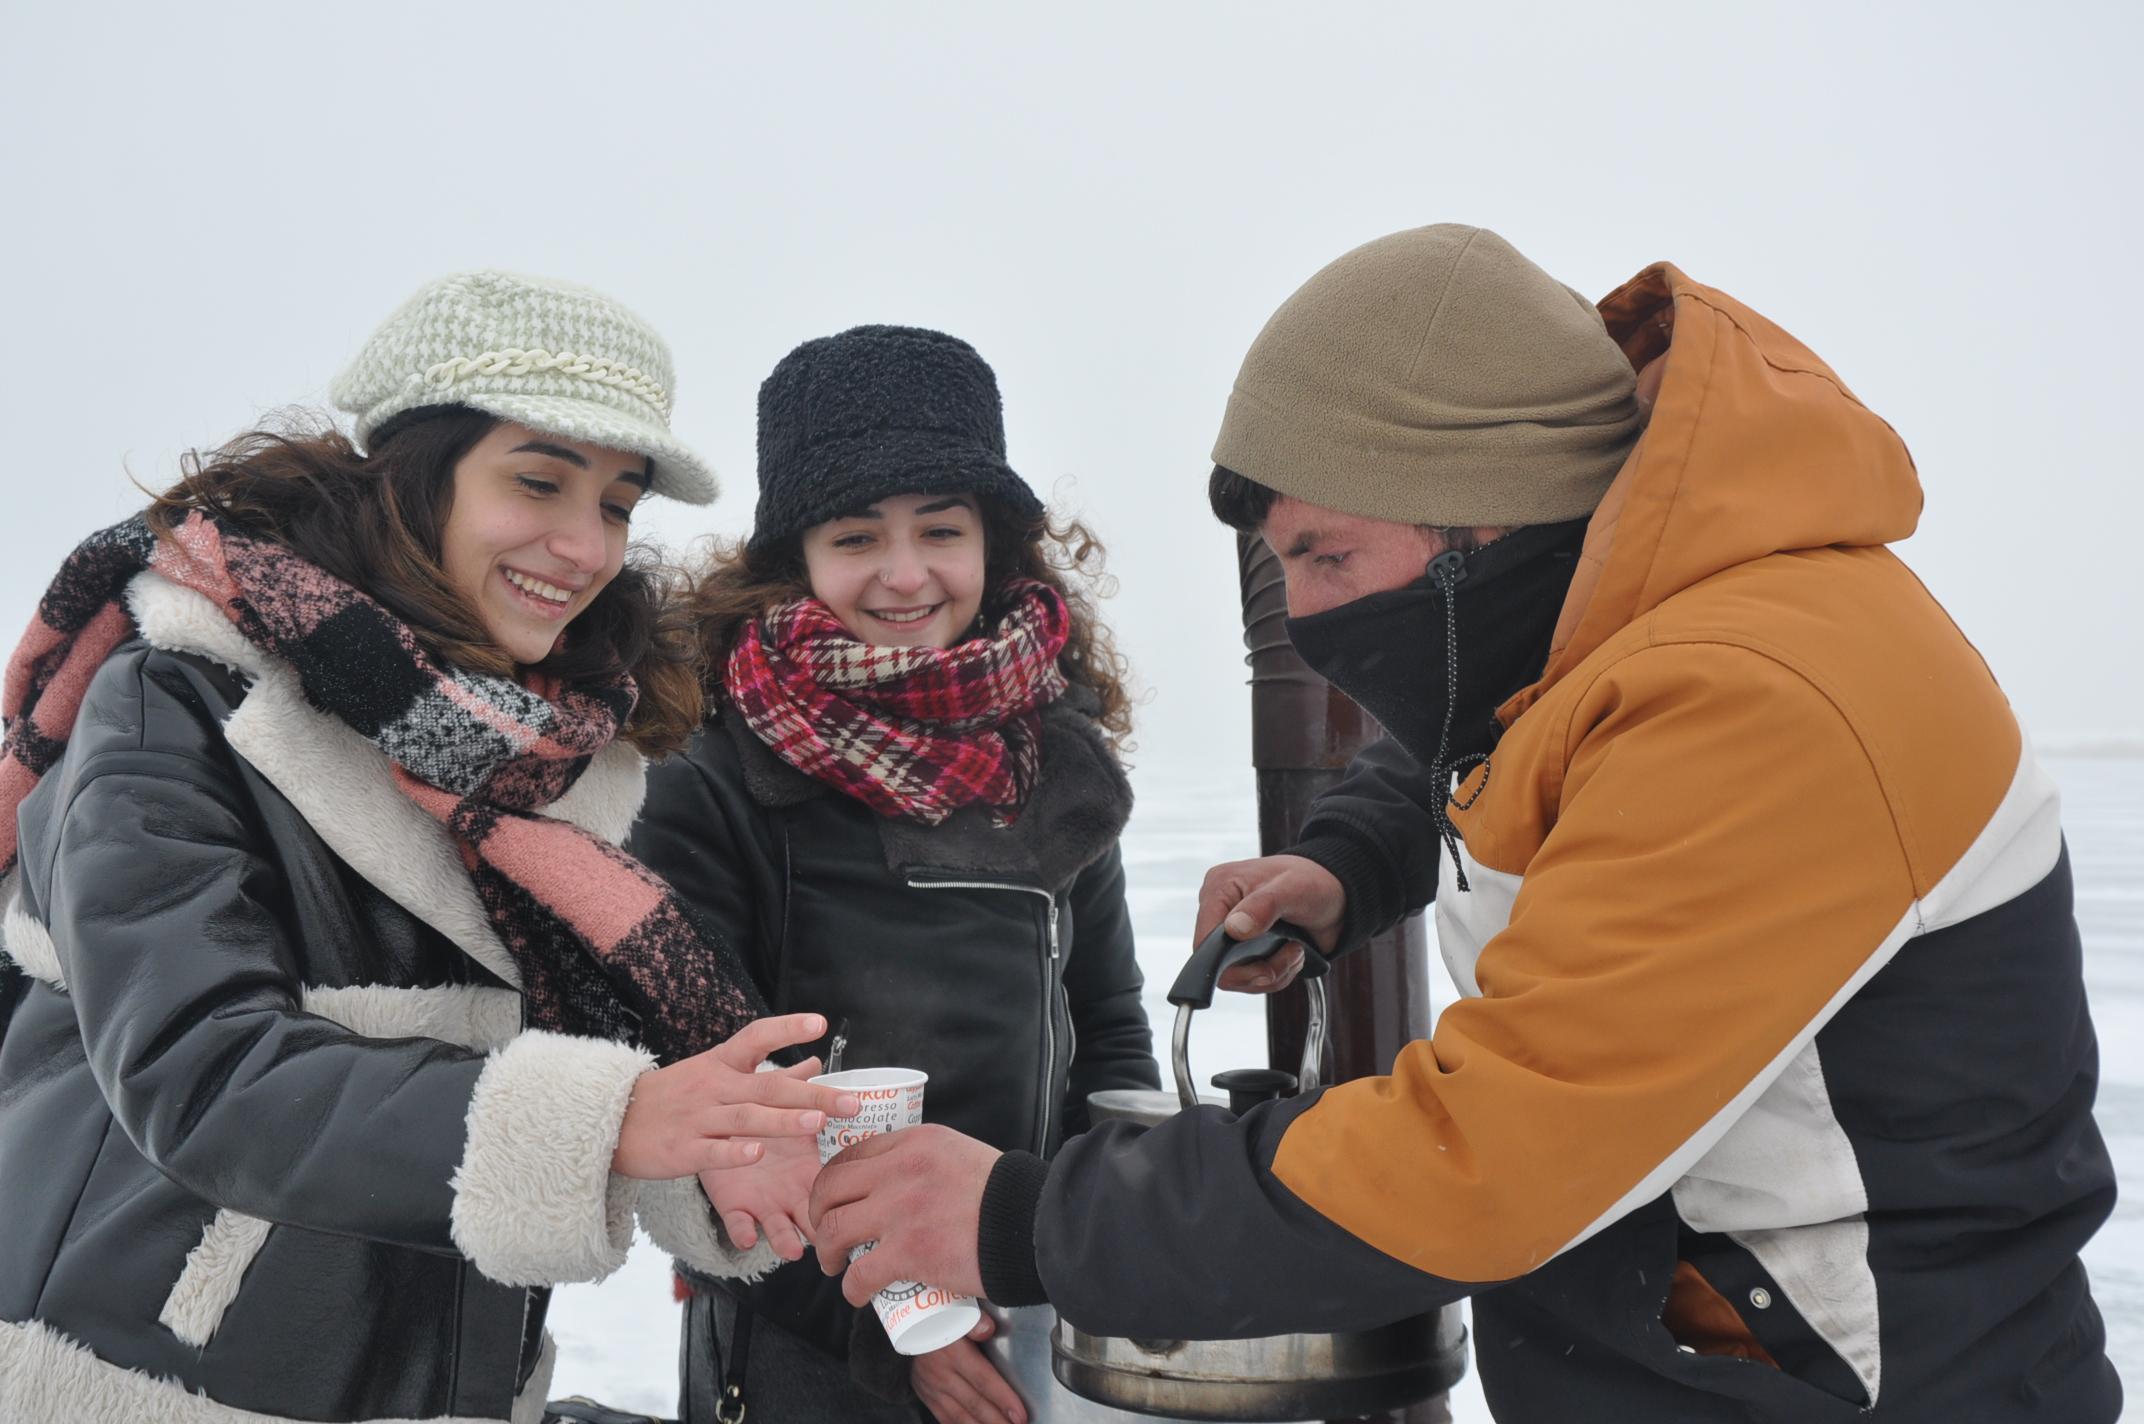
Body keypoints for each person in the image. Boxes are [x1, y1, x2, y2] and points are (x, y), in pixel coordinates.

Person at [803, 226, 2123, 1422]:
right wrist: (1345, 864)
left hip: (1865, 1386)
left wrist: (1027, 1219)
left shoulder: (1759, 705)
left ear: (1489, 510)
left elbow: (1491, 1152)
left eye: (1327, 557)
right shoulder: (1631, 611)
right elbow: (1500, 737)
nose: (1311, 621)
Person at [0, 271, 861, 1423]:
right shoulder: (179, 702)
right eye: (538, 480)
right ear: (413, 476)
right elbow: (197, 1068)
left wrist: (706, 1140)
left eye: (616, 501)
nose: (582, 543)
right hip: (151, 1372)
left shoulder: (538, 755)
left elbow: (583, 1046)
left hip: (438, 1370)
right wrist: (611, 1117)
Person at [628, 324, 1159, 1424]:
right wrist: (894, 1329)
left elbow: (1105, 1027)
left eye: (940, 530)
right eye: (857, 533)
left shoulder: (1057, 761)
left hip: (1029, 1289)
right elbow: (708, 1100)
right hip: (808, 1340)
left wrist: (1101, 1244)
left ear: (993, 546)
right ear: (798, 558)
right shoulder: (715, 774)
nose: (905, 572)